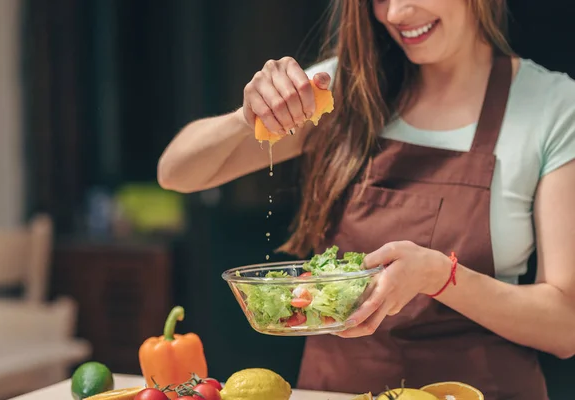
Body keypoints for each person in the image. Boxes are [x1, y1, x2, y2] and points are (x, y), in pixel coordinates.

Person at [158, 1, 575, 398]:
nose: (395, 13)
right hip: (335, 392)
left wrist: (439, 277)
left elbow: (565, 327)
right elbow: (176, 173)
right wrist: (245, 117)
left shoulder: (552, 106)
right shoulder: (342, 89)